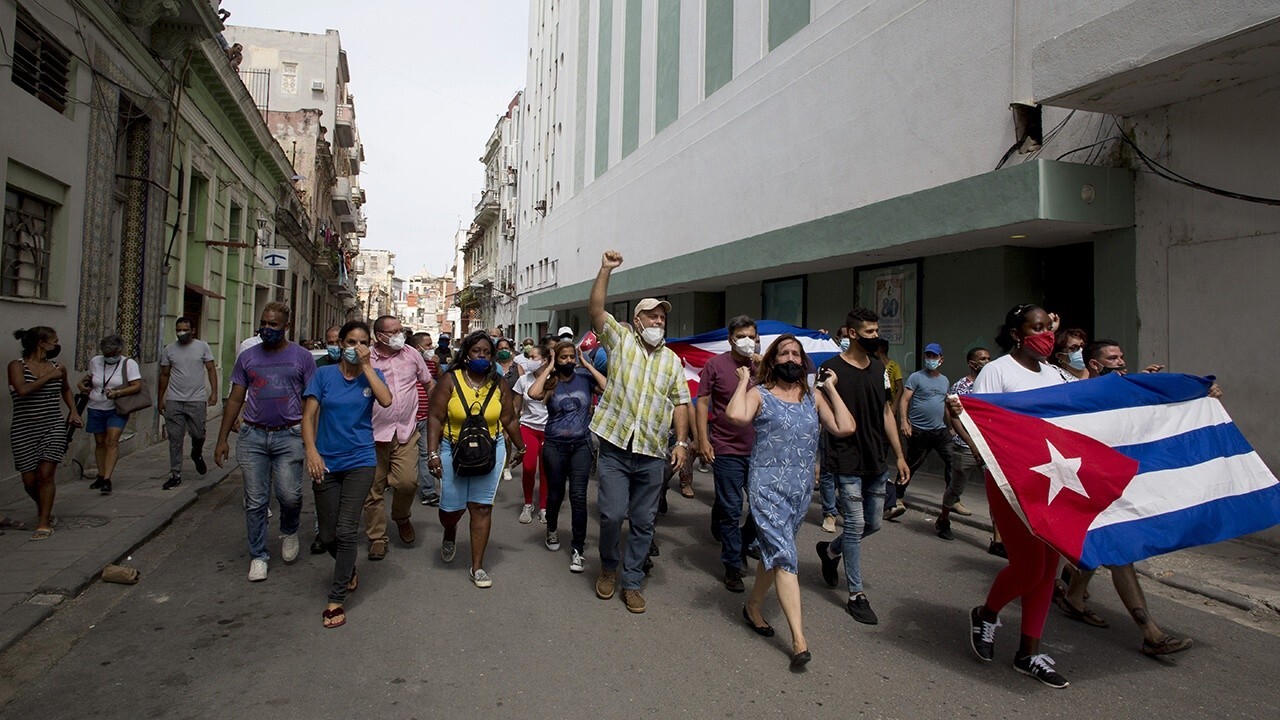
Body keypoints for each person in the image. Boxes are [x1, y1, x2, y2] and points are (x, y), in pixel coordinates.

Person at [1051, 339, 1192, 657]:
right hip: (1086, 486)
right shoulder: (1080, 396)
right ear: (1096, 365)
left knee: (1098, 544)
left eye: (1122, 355)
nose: (1120, 360)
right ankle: (1151, 633)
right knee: (1120, 552)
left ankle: (1074, 598)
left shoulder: (1126, 388)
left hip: (1115, 485)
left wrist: (1200, 393)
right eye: (1112, 358)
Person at [727, 335, 857, 669]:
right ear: (772, 360)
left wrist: (830, 389)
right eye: (783, 353)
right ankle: (799, 641)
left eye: (796, 354)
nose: (790, 358)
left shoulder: (813, 398)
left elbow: (845, 426)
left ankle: (753, 607)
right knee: (785, 555)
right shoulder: (760, 394)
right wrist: (744, 381)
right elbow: (736, 416)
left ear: (803, 362)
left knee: (774, 552)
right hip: (766, 486)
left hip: (799, 491)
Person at [961, 303, 1073, 689]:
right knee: (1029, 567)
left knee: (1048, 568)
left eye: (1049, 327)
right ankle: (987, 612)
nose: (1046, 334)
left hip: (1056, 482)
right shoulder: (996, 372)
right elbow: (981, 424)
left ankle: (1029, 651)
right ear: (1017, 333)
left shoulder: (1056, 374)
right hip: (1013, 483)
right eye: (1037, 327)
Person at [587, 251, 691, 614]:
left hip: (651, 452)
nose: (659, 321)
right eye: (652, 315)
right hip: (616, 447)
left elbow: (681, 402)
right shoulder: (621, 340)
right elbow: (597, 311)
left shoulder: (672, 361)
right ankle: (609, 566)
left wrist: (681, 441)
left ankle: (632, 582)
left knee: (645, 521)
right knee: (613, 515)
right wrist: (605, 271)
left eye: (663, 317)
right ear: (637, 320)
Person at [814, 308, 911, 626]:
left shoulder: (878, 369)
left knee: (874, 523)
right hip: (846, 459)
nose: (876, 337)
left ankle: (830, 552)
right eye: (869, 332)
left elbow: (886, 413)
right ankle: (856, 595)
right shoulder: (830, 369)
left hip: (876, 460)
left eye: (876, 331)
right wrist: (815, 461)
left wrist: (898, 456)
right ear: (853, 334)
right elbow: (819, 415)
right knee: (854, 525)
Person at [214, 302, 315, 582]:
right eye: (263, 323)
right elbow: (235, 398)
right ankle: (258, 555)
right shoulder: (248, 357)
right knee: (256, 501)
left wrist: (312, 443)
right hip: (253, 436)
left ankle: (289, 529)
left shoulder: (302, 357)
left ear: (286, 327)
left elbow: (312, 401)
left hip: (290, 435)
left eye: (273, 324)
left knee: (290, 495)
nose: (266, 329)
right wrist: (222, 438)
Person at [301, 321, 392, 629]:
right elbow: (308, 416)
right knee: (327, 535)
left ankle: (336, 597)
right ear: (340, 344)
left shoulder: (372, 375)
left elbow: (386, 400)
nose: (356, 347)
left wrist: (367, 366)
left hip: (360, 460)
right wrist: (312, 452)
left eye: (363, 342)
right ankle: (347, 567)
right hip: (325, 461)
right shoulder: (323, 374)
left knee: (346, 529)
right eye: (351, 342)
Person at [424, 331, 525, 588]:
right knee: (451, 509)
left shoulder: (498, 383)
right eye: (476, 351)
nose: (482, 356)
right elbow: (434, 417)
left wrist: (521, 447)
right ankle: (450, 530)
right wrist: (433, 452)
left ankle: (477, 566)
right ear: (466, 354)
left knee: (480, 507)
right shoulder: (450, 380)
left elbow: (509, 419)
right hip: (452, 449)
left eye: (487, 353)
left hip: (489, 450)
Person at [696, 315, 762, 592]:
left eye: (752, 336)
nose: (748, 341)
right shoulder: (715, 365)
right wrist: (702, 439)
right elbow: (702, 401)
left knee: (761, 508)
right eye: (742, 336)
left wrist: (765, 363)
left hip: (761, 449)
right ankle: (733, 564)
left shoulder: (764, 367)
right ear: (731, 339)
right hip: (726, 447)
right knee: (733, 508)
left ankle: (744, 540)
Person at [528, 340, 607, 572]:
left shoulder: (584, 379)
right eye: (564, 357)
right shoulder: (550, 381)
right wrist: (550, 366)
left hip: (581, 446)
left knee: (579, 497)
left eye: (571, 357)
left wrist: (587, 364)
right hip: (554, 446)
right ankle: (551, 528)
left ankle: (577, 549)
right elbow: (533, 392)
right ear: (556, 359)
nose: (569, 361)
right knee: (555, 494)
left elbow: (609, 387)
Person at [364, 315, 435, 561]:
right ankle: (377, 538)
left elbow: (428, 383)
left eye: (400, 330)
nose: (399, 335)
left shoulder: (411, 354)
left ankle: (401, 516)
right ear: (379, 336)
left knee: (407, 482)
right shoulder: (367, 359)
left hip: (405, 431)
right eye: (392, 332)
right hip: (371, 436)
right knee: (372, 490)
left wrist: (439, 411)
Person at [8, 327, 81, 539]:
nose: (56, 345)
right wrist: (50, 376)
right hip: (24, 429)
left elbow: (65, 389)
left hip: (52, 426)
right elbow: (22, 390)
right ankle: (43, 507)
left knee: (46, 475)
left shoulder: (58, 367)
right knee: (29, 481)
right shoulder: (17, 366)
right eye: (54, 341)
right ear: (42, 343)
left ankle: (43, 522)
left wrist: (73, 412)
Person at [935, 347, 990, 542]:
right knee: (956, 487)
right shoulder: (961, 387)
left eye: (989, 358)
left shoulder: (993, 385)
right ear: (972, 363)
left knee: (995, 491)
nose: (986, 362)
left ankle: (998, 540)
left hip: (989, 448)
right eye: (982, 359)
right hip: (965, 446)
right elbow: (954, 416)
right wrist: (971, 443)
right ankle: (943, 519)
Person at [79, 334, 144, 496]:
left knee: (112, 441)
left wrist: (118, 392)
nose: (110, 358)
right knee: (100, 442)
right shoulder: (95, 362)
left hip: (117, 408)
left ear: (119, 351)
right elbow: (89, 378)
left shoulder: (129, 364)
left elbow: (136, 386)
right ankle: (101, 475)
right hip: (95, 406)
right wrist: (81, 384)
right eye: (107, 355)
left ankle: (107, 479)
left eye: (113, 354)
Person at [157, 317, 218, 490]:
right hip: (175, 400)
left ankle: (196, 453)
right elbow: (164, 375)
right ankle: (175, 473)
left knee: (198, 434)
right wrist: (160, 398)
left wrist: (214, 393)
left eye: (185, 329)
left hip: (196, 399)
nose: (181, 333)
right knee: (175, 439)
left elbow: (211, 369)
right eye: (178, 330)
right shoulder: (169, 350)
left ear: (192, 330)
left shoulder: (202, 347)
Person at [897, 342, 952, 506]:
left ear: (941, 359)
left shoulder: (944, 380)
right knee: (911, 464)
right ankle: (897, 497)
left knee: (953, 462)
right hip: (919, 430)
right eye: (928, 356)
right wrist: (904, 422)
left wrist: (951, 427)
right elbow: (904, 400)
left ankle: (952, 498)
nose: (930, 359)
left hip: (940, 430)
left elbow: (945, 405)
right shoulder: (916, 377)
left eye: (934, 356)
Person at [511, 345, 550, 525]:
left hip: (549, 431)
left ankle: (543, 507)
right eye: (529, 357)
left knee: (545, 470)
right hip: (528, 428)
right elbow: (516, 407)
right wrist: (509, 429)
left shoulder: (553, 380)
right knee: (527, 468)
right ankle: (528, 504)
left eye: (534, 357)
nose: (529, 360)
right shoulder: (523, 380)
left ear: (544, 360)